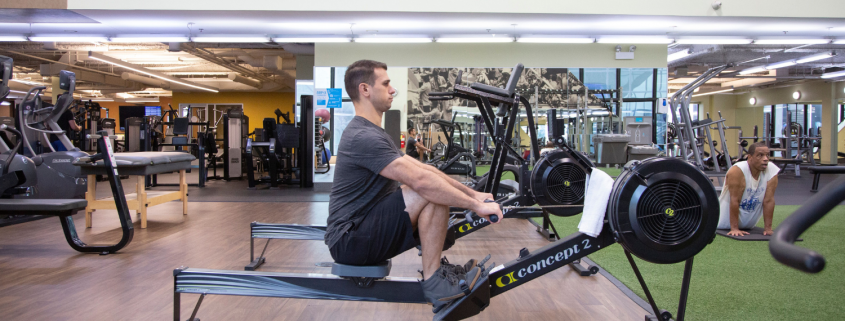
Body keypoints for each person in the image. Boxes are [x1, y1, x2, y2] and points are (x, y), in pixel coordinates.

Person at [325, 60, 503, 313]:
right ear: (365, 89)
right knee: (426, 191)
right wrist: (475, 205)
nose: (392, 90)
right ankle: (434, 283)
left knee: (430, 186)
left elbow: (425, 169)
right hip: (349, 241)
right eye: (385, 84)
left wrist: (474, 194)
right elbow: (420, 182)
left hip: (360, 231)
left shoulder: (375, 133)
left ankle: (436, 272)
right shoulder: (362, 136)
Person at [717, 142, 779, 236]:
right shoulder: (737, 170)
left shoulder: (772, 170)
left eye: (767, 155)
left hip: (749, 226)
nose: (766, 159)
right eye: (760, 155)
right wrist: (734, 229)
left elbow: (769, 201)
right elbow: (734, 200)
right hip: (723, 223)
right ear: (750, 157)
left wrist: (768, 229)